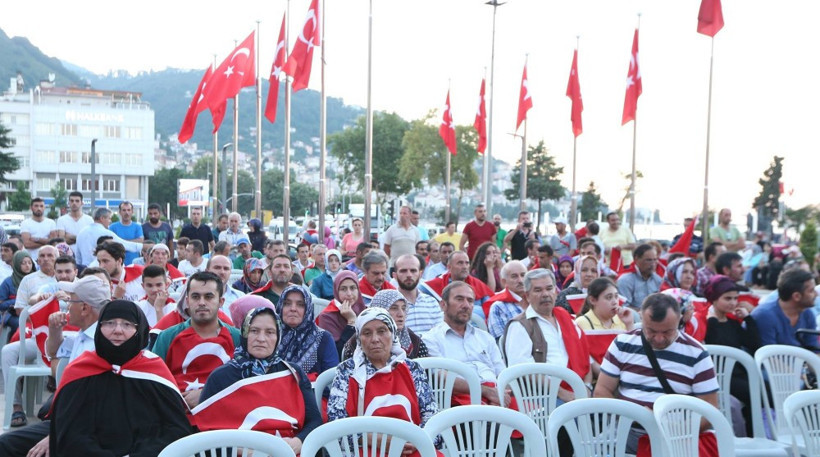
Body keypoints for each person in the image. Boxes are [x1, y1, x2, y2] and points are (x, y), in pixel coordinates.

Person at [50, 300, 191, 456]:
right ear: (99, 327)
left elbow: (176, 428)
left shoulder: (154, 372)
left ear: (139, 330)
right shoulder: (80, 371)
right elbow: (69, 434)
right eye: (110, 323)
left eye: (127, 324)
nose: (117, 330)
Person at [594, 293, 720, 454]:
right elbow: (602, 391)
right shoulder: (623, 344)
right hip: (629, 431)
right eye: (651, 331)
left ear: (679, 320)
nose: (659, 339)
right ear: (641, 319)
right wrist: (633, 416)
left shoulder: (696, 353)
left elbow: (710, 411)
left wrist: (670, 427)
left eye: (667, 332)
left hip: (676, 437)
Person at [197, 305, 322, 455]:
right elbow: (204, 434)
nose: (261, 339)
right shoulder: (221, 377)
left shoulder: (293, 373)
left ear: (278, 337)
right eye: (254, 331)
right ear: (244, 334)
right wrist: (245, 452)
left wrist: (298, 442)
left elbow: (314, 422)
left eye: (270, 332)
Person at [328, 307, 439, 455]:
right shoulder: (347, 371)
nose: (375, 339)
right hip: (368, 450)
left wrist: (417, 439)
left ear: (392, 334)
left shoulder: (412, 369)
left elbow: (432, 416)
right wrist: (374, 440)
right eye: (367, 333)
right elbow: (335, 426)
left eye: (382, 331)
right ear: (359, 339)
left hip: (412, 448)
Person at [152, 271, 241, 408]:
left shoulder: (238, 338)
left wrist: (207, 393)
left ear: (221, 301)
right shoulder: (167, 337)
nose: (201, 303)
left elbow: (245, 383)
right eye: (195, 297)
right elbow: (155, 383)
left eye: (209, 297)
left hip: (227, 417)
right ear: (187, 301)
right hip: (178, 417)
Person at [504, 269, 593, 390]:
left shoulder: (566, 318)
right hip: (544, 397)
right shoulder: (520, 326)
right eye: (538, 290)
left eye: (549, 288)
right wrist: (561, 393)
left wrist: (587, 387)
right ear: (527, 296)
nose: (545, 294)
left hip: (578, 388)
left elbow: (585, 357)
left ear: (556, 292)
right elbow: (522, 371)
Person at [423, 281, 508, 406]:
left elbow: (502, 373)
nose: (466, 305)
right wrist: (485, 392)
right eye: (459, 299)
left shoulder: (485, 337)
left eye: (470, 301)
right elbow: (441, 378)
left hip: (496, 393)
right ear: (443, 305)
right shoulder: (431, 339)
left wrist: (499, 395)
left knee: (531, 415)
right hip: (460, 397)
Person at [702, 274, 761, 437]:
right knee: (755, 394)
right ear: (714, 298)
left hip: (738, 373)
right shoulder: (706, 321)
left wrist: (748, 319)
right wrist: (713, 321)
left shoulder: (732, 323)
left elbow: (755, 345)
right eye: (727, 298)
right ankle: (750, 436)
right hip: (719, 376)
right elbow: (716, 346)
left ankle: (755, 435)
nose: (733, 303)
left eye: (735, 298)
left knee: (762, 391)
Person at [343, 289, 429, 360]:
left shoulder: (414, 340)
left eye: (403, 308)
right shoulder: (357, 342)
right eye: (394, 308)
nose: (401, 314)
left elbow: (425, 373)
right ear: (380, 310)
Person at [275, 285, 339, 380]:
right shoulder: (272, 335)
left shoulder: (323, 338)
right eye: (287, 303)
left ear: (307, 309)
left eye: (300, 304)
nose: (293, 308)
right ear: (280, 307)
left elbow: (331, 381)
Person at [751, 268, 817, 348]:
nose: (816, 294)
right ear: (796, 296)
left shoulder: (808, 313)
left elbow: (813, 348)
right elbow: (769, 355)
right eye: (811, 291)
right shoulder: (764, 316)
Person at [575, 277, 634, 365]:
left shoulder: (622, 319)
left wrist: (629, 324)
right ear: (593, 300)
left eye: (616, 296)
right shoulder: (581, 323)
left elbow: (632, 353)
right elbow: (587, 360)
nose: (615, 302)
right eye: (609, 297)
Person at [421, 251, 494, 320]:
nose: (465, 266)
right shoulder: (431, 287)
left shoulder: (478, 284)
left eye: (467, 263)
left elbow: (489, 310)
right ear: (449, 267)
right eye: (460, 263)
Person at [316, 270, 366, 353]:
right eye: (343, 289)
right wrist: (351, 322)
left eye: (353, 288)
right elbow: (336, 352)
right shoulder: (327, 316)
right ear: (336, 291)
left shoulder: (364, 310)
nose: (349, 294)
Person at [75, 207, 143, 266]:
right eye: (109, 218)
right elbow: (124, 245)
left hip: (84, 270)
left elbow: (78, 257)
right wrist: (143, 247)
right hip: (100, 269)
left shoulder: (81, 232)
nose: (110, 221)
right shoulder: (106, 233)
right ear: (102, 218)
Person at [394, 254, 442, 336]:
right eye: (403, 271)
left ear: (420, 274)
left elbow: (440, 334)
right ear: (394, 276)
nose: (409, 275)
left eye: (413, 271)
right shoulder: (389, 305)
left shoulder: (432, 303)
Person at [485, 261, 528, 339]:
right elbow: (501, 342)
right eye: (514, 276)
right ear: (504, 282)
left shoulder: (535, 301)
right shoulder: (498, 307)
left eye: (523, 275)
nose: (520, 280)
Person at [617, 244, 662, 311]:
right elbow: (623, 307)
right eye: (648, 260)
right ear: (636, 259)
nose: (653, 264)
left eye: (655, 260)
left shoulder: (658, 280)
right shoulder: (625, 281)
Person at [0, 251, 33, 337]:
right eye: (23, 263)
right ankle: (12, 345)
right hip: (11, 314)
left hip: (31, 312)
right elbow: (1, 304)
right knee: (19, 324)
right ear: (17, 264)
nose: (27, 265)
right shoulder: (8, 282)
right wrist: (17, 301)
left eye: (29, 263)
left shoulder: (35, 280)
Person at [109, 201, 145, 266]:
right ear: (120, 212)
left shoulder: (137, 226)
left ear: (132, 212)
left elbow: (140, 241)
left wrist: (120, 242)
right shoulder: (112, 227)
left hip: (134, 262)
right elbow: (111, 242)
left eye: (129, 210)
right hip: (117, 262)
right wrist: (132, 243)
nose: (126, 213)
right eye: (124, 210)